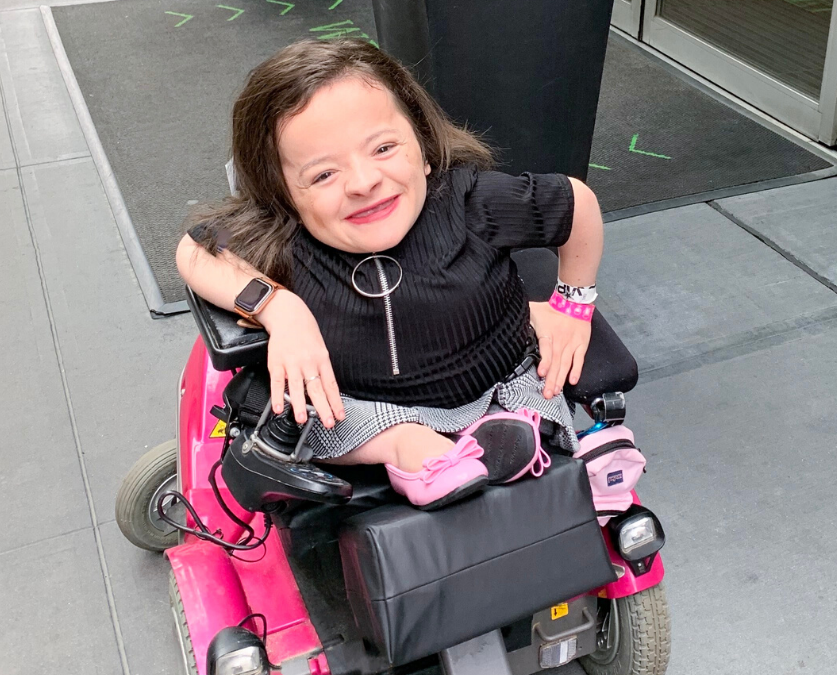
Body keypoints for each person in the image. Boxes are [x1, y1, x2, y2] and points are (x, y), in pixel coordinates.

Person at [177, 39, 604, 511]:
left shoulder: (470, 201)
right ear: (283, 195)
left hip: (495, 385)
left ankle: (510, 441)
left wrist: (573, 303)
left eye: (383, 148)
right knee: (289, 409)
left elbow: (577, 202)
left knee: (535, 395)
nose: (363, 183)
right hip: (361, 407)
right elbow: (195, 252)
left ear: (422, 145)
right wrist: (279, 308)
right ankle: (406, 446)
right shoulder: (285, 236)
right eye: (322, 175)